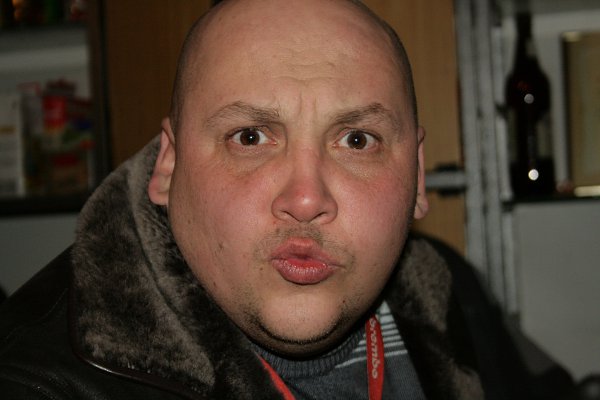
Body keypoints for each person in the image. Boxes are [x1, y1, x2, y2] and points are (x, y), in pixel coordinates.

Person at [0, 0, 485, 398]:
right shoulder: (34, 385)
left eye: (357, 140)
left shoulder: (452, 296)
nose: (305, 200)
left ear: (417, 175)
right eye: (250, 137)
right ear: (168, 165)